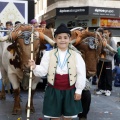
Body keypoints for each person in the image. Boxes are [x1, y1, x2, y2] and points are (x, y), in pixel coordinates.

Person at [29, 23, 86, 120]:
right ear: (55, 39)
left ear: (69, 39)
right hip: (53, 90)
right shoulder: (48, 54)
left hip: (70, 91)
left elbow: (81, 73)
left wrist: (79, 90)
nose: (62, 40)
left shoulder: (76, 55)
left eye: (65, 37)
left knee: (68, 117)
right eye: (59, 38)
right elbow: (43, 71)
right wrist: (34, 67)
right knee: (55, 117)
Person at [96, 28, 117, 96]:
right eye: (104, 32)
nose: (105, 34)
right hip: (101, 60)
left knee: (108, 76)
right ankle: (101, 88)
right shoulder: (101, 40)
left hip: (108, 61)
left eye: (106, 32)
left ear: (109, 33)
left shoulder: (111, 41)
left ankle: (108, 89)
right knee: (100, 75)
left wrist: (106, 50)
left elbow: (114, 52)